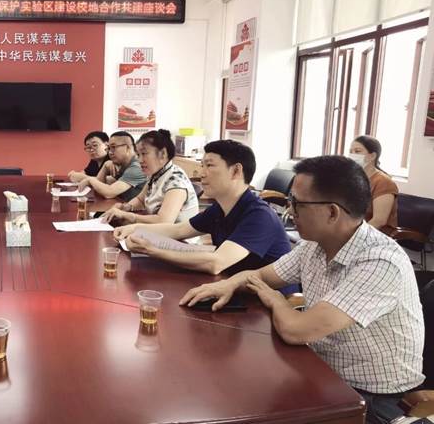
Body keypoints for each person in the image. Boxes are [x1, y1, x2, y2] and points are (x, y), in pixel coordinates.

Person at [180, 155, 423, 424]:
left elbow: (296, 330)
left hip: (371, 396)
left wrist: (275, 300)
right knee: (226, 386)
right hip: (320, 369)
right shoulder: (315, 246)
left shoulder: (379, 261)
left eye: (297, 203)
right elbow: (260, 276)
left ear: (332, 212)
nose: (288, 211)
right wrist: (228, 284)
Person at [114, 140, 290, 275]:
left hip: (269, 303)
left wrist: (152, 251)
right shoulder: (220, 208)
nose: (201, 173)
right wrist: (134, 228)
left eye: (210, 165)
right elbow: (178, 230)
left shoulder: (259, 215)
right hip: (231, 287)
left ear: (236, 171)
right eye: (202, 166)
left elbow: (216, 263)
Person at [102, 129, 198, 225]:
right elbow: (140, 200)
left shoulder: (176, 181)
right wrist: (126, 207)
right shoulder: (156, 174)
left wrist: (127, 215)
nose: (139, 160)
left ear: (163, 154)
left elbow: (164, 221)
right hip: (156, 231)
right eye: (138, 155)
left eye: (144, 154)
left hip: (174, 234)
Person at [76, 131, 146, 202]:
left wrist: (90, 180)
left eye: (113, 147)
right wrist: (105, 166)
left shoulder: (137, 167)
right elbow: (102, 185)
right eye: (109, 148)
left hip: (137, 208)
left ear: (127, 148)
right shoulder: (123, 164)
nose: (110, 152)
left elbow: (109, 193)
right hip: (123, 205)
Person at [349, 135, 398, 235]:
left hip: (375, 235)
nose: (352, 155)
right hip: (352, 229)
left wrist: (354, 236)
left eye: (357, 151)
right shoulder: (353, 178)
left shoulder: (384, 182)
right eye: (351, 151)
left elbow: (379, 221)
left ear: (372, 156)